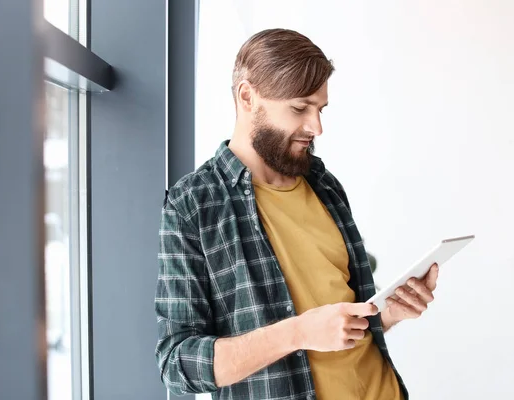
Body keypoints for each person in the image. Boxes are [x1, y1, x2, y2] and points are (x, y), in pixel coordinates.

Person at [155, 28, 439, 400]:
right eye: (300, 108)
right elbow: (177, 364)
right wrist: (298, 332)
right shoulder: (192, 205)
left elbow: (343, 323)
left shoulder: (324, 184)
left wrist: (388, 315)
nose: (316, 127)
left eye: (319, 109)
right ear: (247, 97)